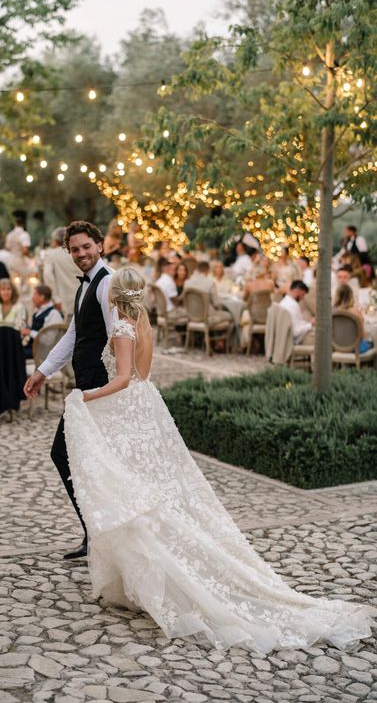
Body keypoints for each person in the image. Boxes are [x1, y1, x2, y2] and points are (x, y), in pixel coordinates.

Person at [54, 265, 375, 653]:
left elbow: (122, 379)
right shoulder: (144, 322)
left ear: (113, 295)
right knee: (151, 489)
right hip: (146, 407)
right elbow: (144, 375)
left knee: (134, 494)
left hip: (127, 409)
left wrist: (84, 397)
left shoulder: (121, 328)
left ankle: (156, 577)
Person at [23, 221, 114, 560]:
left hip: (100, 388)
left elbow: (118, 338)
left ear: (100, 245)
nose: (81, 254)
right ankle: (96, 531)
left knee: (66, 454)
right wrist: (43, 372)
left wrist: (112, 390)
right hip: (85, 385)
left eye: (86, 247)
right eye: (75, 250)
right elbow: (74, 335)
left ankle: (100, 532)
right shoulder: (84, 287)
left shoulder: (107, 285)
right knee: (78, 458)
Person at [42, 227, 80, 318]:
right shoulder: (78, 252)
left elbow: (48, 276)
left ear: (55, 240)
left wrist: (55, 298)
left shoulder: (51, 254)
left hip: (63, 302)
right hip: (82, 299)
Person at [21, 284, 63, 359]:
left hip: (43, 351)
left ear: (42, 297)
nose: (32, 298)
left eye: (34, 294)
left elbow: (48, 340)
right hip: (33, 347)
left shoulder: (54, 314)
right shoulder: (38, 312)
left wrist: (29, 332)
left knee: (13, 353)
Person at [333, 284, 374, 354]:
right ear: (351, 296)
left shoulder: (332, 312)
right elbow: (362, 334)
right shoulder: (356, 312)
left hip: (336, 348)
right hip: (355, 349)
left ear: (336, 296)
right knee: (373, 342)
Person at [280, 280, 314, 345]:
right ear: (298, 291)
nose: (303, 298)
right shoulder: (292, 305)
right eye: (303, 294)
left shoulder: (284, 302)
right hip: (292, 340)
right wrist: (311, 324)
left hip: (285, 337)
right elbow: (296, 332)